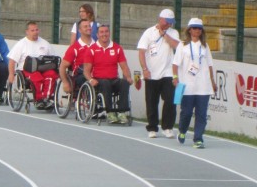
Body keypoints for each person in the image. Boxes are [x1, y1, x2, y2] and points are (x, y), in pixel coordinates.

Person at [173, 18, 217, 149]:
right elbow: (175, 64)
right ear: (189, 30)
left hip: (203, 86)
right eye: (194, 28)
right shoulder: (182, 45)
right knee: (186, 112)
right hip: (187, 86)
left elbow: (209, 65)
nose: (197, 30)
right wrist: (175, 78)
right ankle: (182, 130)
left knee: (201, 114)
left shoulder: (205, 46)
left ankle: (198, 138)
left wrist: (212, 81)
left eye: (199, 28)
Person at [137, 8, 180, 139]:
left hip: (168, 73)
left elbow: (176, 46)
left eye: (171, 22)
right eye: (167, 21)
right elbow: (141, 52)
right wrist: (145, 69)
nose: (169, 24)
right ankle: (152, 127)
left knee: (170, 100)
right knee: (151, 101)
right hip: (152, 73)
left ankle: (167, 127)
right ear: (160, 19)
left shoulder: (173, 32)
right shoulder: (149, 33)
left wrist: (165, 35)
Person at [83, 24, 134, 124]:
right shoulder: (92, 49)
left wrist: (128, 77)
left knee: (124, 83)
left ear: (109, 33)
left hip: (114, 79)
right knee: (105, 83)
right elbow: (86, 71)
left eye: (106, 32)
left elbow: (124, 67)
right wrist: (90, 80)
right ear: (97, 35)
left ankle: (121, 112)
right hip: (99, 81)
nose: (104, 34)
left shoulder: (117, 48)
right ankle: (109, 112)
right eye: (101, 32)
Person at [7, 21, 58, 109]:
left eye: (37, 30)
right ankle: (39, 99)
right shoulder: (21, 44)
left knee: (52, 75)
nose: (35, 32)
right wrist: (11, 74)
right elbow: (12, 61)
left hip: (43, 68)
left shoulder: (45, 43)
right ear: (27, 32)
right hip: (26, 70)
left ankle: (47, 98)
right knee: (37, 77)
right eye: (32, 30)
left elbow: (53, 58)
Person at [59, 18, 94, 94]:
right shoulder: (74, 48)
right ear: (79, 30)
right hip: (80, 75)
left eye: (89, 26)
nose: (88, 28)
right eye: (85, 26)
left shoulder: (97, 45)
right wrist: (65, 82)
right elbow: (62, 66)